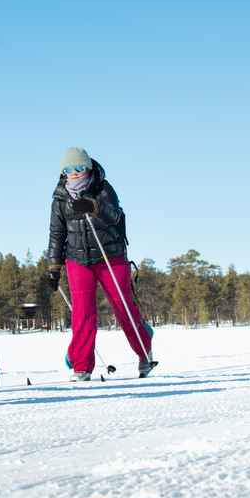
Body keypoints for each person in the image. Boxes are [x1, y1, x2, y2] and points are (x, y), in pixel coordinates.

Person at [45, 148, 155, 379]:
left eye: (78, 168)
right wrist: (53, 267)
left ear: (87, 168)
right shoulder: (59, 197)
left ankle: (144, 351)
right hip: (77, 259)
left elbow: (114, 216)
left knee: (122, 306)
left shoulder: (103, 188)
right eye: (68, 170)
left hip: (110, 256)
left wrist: (94, 207)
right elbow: (57, 233)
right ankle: (82, 366)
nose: (73, 174)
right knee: (83, 313)